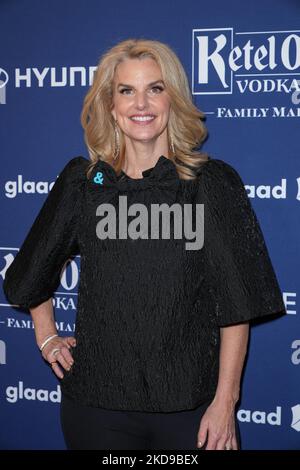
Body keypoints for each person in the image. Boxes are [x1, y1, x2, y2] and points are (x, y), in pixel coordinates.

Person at [3, 38, 286, 451]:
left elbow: (236, 302)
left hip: (191, 408)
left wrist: (225, 401)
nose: (142, 104)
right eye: (126, 91)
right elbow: (29, 274)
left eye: (155, 88)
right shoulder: (84, 185)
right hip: (97, 410)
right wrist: (47, 336)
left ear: (173, 99)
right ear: (111, 107)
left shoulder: (210, 184)